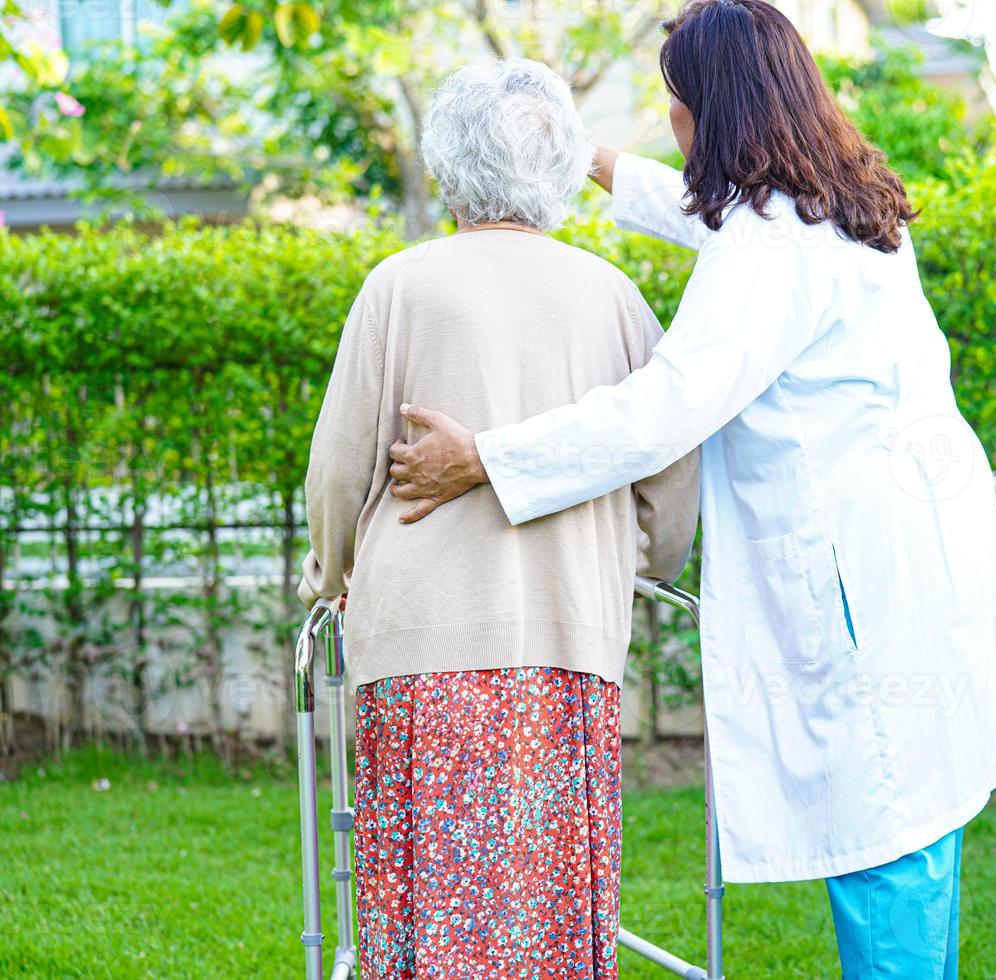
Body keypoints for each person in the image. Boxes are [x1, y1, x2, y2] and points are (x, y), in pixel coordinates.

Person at [386, 3, 996, 976]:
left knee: (885, 834)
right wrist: (584, 155)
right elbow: (704, 213)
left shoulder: (767, 251)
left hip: (859, 573)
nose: (674, 129)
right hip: (914, 549)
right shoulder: (838, 199)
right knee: (916, 823)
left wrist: (487, 456)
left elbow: (662, 409)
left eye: (678, 108)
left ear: (717, 114)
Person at [296, 58, 698, 978]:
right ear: (558, 168)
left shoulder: (399, 286)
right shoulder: (615, 298)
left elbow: (337, 467)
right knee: (556, 908)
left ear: (447, 163)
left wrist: (332, 576)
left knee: (423, 903)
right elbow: (673, 482)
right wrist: (627, 558)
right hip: (568, 636)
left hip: (417, 642)